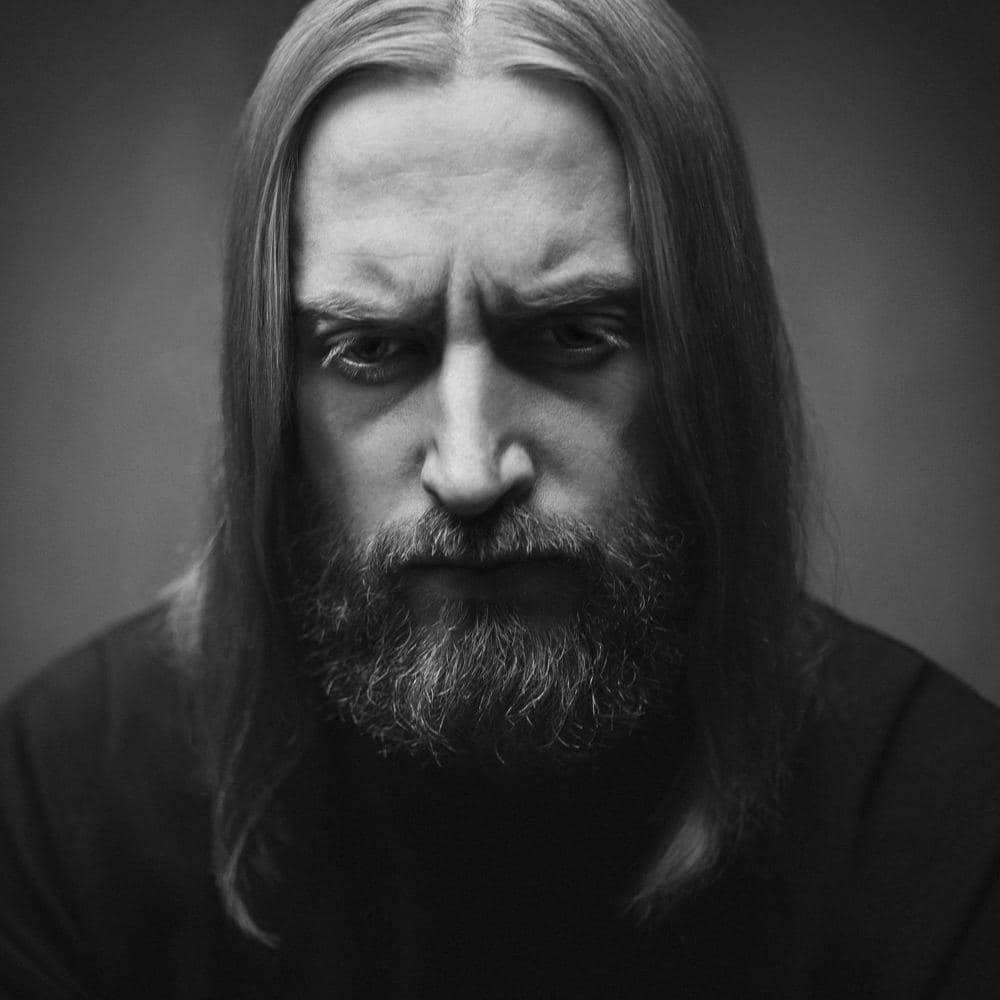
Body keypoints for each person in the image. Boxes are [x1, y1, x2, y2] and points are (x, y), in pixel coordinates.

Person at [2, 0, 998, 996]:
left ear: (710, 358)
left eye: (572, 335)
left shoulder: (947, 826)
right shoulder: (60, 800)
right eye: (371, 348)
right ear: (269, 388)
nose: (471, 471)